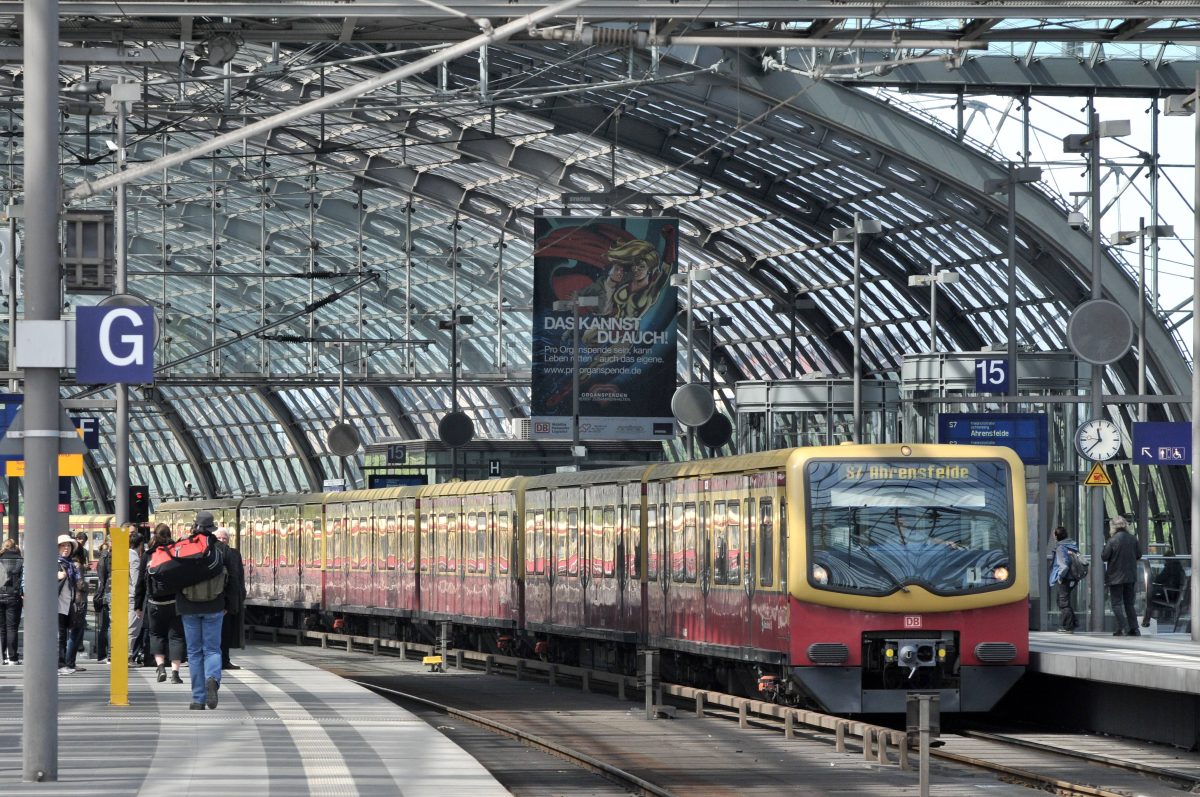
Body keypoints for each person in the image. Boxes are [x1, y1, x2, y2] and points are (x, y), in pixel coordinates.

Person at [177, 510, 232, 710]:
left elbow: (173, 576)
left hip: (188, 606)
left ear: (195, 527)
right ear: (213, 528)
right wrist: (229, 606)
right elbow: (233, 580)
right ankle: (212, 679)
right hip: (214, 605)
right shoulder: (222, 549)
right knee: (212, 649)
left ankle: (198, 699)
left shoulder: (183, 547)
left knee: (194, 652)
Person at [136, 524, 185, 684]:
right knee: (176, 637)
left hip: (154, 603)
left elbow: (141, 582)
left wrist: (138, 605)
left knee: (156, 635)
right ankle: (175, 674)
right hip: (175, 603)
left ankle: (161, 667)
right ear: (170, 534)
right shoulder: (177, 553)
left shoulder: (148, 555)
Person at [1101, 516, 1142, 636]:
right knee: (1129, 603)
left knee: (1116, 603)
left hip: (1115, 577)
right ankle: (1135, 628)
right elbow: (1138, 555)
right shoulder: (1133, 539)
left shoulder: (1112, 540)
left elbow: (1104, 556)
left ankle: (1123, 628)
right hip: (1130, 576)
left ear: (1113, 527)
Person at [214, 527, 245, 670]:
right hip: (215, 599)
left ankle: (225, 660)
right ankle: (216, 661)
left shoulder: (234, 554)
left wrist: (240, 596)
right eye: (219, 538)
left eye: (224, 538)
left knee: (226, 633)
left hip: (227, 601)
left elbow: (238, 577)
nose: (222, 541)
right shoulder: (211, 553)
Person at [56, 534, 82, 674]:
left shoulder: (70, 564)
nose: (66, 548)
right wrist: (55, 575)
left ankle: (63, 663)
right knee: (60, 635)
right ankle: (60, 665)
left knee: (63, 635)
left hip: (66, 604)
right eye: (63, 545)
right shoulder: (54, 562)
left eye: (68, 546)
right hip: (57, 604)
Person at [1048, 526, 1080, 633]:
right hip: (1073, 577)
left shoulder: (1061, 548)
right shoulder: (1071, 545)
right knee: (1064, 600)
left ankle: (1067, 626)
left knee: (1063, 602)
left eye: (1054, 534)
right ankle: (1073, 623)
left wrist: (1060, 577)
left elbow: (1064, 566)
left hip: (1065, 577)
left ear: (1057, 536)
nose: (1053, 536)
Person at [0, 539, 22, 665]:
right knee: (12, 628)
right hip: (14, 596)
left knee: (1, 629)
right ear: (15, 547)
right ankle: (13, 658)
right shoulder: (20, 560)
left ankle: (1, 657)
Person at [93, 541, 111, 663]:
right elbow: (103, 578)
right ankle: (106, 653)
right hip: (108, 593)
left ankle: (102, 654)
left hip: (106, 593)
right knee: (107, 626)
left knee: (105, 626)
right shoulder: (106, 558)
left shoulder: (103, 558)